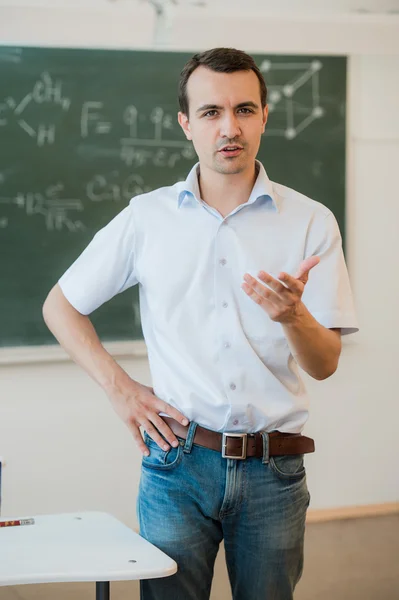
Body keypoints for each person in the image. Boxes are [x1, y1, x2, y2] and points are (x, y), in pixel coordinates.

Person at [43, 47, 358, 600]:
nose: (228, 127)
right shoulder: (148, 217)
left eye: (243, 109)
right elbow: (60, 306)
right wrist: (122, 390)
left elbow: (325, 363)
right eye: (211, 112)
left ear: (264, 116)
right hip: (176, 465)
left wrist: (293, 316)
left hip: (273, 470)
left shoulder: (311, 221)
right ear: (187, 124)